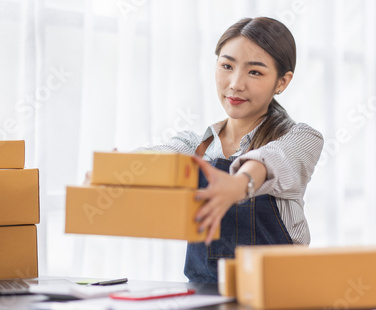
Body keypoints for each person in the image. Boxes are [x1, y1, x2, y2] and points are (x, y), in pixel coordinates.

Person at [134, 17, 324, 284]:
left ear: (282, 82)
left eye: (255, 72)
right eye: (227, 66)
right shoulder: (196, 148)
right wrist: (111, 175)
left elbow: (273, 158)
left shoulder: (301, 137)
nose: (235, 83)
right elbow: (149, 160)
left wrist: (239, 184)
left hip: (280, 304)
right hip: (205, 306)